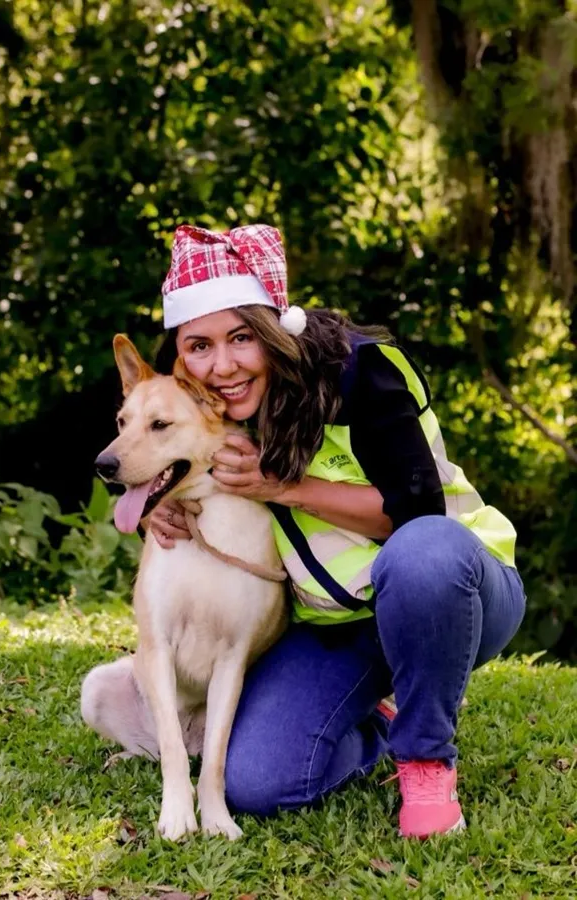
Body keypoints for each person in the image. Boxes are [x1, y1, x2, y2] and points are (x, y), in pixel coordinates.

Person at [83, 223, 524, 839]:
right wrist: (156, 502)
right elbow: (164, 454)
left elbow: (417, 508)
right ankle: (375, 721)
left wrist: (280, 485)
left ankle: (425, 758)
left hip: (455, 588)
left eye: (241, 338)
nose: (222, 365)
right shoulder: (213, 409)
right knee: (260, 780)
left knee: (423, 554)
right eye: (199, 346)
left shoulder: (360, 371)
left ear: (272, 328)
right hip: (338, 627)